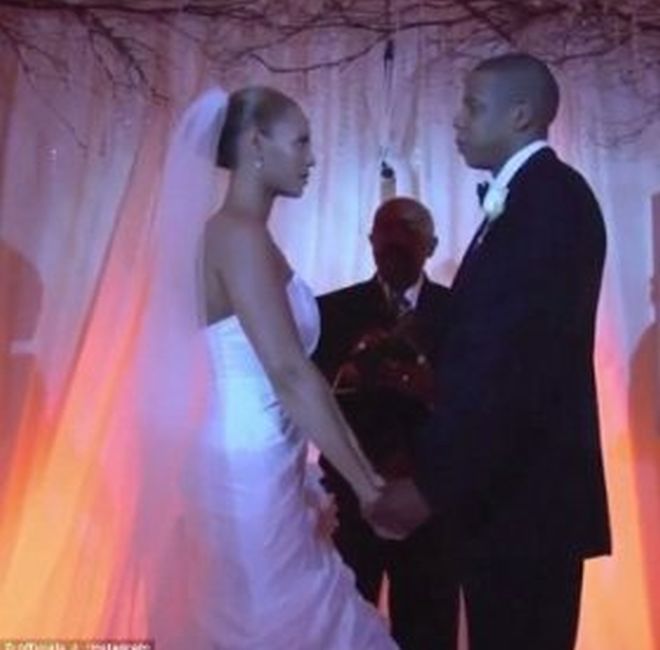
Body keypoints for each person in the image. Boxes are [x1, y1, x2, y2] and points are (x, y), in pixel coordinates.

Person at [366, 53, 612, 650]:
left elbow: (513, 366)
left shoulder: (548, 200)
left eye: (473, 107)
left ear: (520, 115)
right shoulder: (532, 197)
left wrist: (431, 484)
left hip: (527, 499)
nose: (458, 119)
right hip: (509, 495)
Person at [144, 85, 399, 649]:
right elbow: (288, 371)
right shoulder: (236, 235)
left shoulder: (247, 235)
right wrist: (368, 486)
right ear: (257, 144)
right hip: (247, 464)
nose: (312, 157)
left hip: (269, 456)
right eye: (301, 141)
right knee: (267, 617)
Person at [314, 197, 459, 649]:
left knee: (429, 631)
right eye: (385, 228)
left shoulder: (461, 312)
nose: (395, 237)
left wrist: (431, 388)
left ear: (431, 245)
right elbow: (311, 396)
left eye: (409, 228)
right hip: (352, 500)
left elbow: (480, 401)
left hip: (432, 502)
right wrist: (354, 369)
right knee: (345, 630)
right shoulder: (331, 311)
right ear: (370, 240)